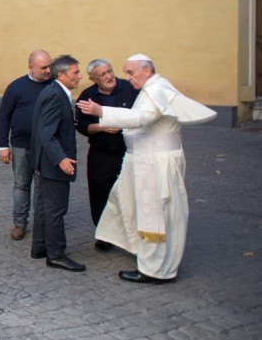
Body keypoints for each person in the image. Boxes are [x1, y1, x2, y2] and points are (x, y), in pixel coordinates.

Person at [78, 55, 215, 284]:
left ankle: (155, 270)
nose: (126, 78)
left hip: (154, 164)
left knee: (156, 215)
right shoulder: (151, 87)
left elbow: (142, 118)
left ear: (147, 71)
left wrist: (101, 110)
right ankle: (147, 256)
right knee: (124, 201)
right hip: (145, 160)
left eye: (131, 73)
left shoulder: (156, 89)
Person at [74, 59, 139, 251]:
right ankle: (104, 235)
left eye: (109, 71)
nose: (109, 76)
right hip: (101, 153)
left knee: (130, 193)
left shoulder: (130, 88)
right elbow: (81, 125)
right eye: (102, 75)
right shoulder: (87, 96)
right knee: (100, 194)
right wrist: (100, 127)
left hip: (129, 151)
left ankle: (131, 235)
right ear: (93, 79)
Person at [30, 54, 85, 272]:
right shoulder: (55, 94)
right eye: (76, 73)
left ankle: (40, 246)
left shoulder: (55, 92)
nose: (80, 77)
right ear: (61, 75)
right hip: (53, 162)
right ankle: (56, 254)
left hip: (47, 162)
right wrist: (61, 158)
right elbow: (46, 132)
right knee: (56, 208)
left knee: (45, 206)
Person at [0, 50, 53, 240]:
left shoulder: (54, 86)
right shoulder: (16, 87)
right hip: (21, 145)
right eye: (43, 67)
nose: (48, 70)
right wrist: (3, 145)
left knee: (42, 186)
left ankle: (41, 223)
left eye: (49, 66)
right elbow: (3, 117)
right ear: (30, 67)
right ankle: (20, 223)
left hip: (46, 147)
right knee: (21, 185)